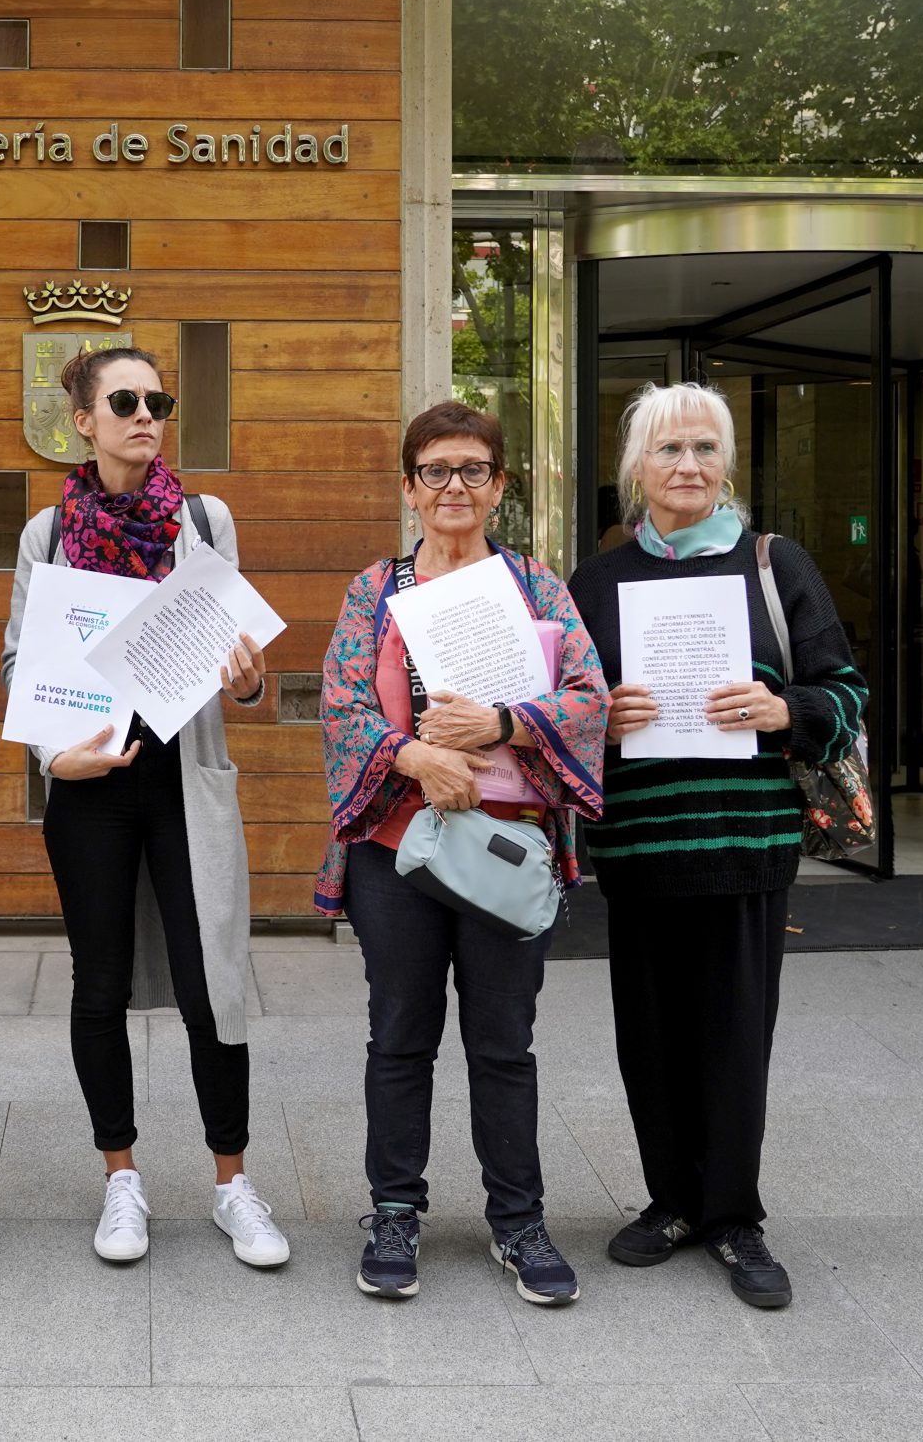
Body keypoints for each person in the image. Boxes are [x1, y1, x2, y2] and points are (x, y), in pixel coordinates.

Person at [566, 380, 868, 1311]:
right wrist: (598, 719)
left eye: (704, 448)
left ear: (726, 463)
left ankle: (734, 1215)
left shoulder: (776, 566)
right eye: (668, 450)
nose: (687, 466)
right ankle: (670, 1200)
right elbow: (560, 712)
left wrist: (787, 709)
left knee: (736, 1036)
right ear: (636, 470)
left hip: (745, 842)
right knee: (649, 1038)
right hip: (645, 847)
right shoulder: (599, 580)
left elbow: (846, 691)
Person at [0, 344, 286, 1270]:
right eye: (122, 399)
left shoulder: (203, 520)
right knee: (100, 981)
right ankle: (121, 1177)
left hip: (185, 781)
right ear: (80, 419)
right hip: (92, 788)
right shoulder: (47, 533)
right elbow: (18, 663)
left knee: (215, 987)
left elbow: (240, 667)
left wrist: (247, 681)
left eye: (156, 398)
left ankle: (232, 1182)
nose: (144, 412)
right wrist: (52, 756)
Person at [317, 401, 611, 1305]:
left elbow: (589, 695)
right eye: (435, 469)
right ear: (409, 486)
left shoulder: (535, 586)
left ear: (500, 485)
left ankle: (518, 1219)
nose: (454, 485)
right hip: (397, 848)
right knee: (399, 1036)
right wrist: (413, 754)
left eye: (473, 469)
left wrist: (503, 723)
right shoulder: (376, 588)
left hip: (506, 851)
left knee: (503, 1040)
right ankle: (395, 1208)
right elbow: (340, 705)